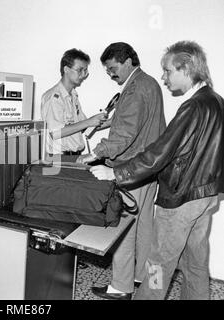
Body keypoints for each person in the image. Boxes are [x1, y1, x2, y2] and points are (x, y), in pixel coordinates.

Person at [90, 41, 224, 300]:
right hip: (205, 196)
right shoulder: (217, 102)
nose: (163, 77)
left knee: (158, 264)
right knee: (195, 263)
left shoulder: (193, 107)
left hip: (181, 198)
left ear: (186, 69)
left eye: (168, 70)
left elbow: (160, 153)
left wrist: (117, 173)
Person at [78, 42, 166, 300]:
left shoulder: (135, 90)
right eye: (107, 71)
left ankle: (121, 287)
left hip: (131, 170)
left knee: (123, 228)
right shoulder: (149, 84)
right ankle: (141, 277)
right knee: (144, 226)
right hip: (149, 169)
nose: (111, 74)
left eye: (113, 68)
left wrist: (95, 153)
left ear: (128, 61)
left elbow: (125, 134)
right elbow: (137, 126)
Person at [41, 48, 107, 161]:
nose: (83, 75)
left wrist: (114, 120)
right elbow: (54, 133)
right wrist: (89, 121)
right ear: (66, 69)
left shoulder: (73, 96)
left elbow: (85, 127)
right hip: (59, 158)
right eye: (80, 70)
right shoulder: (54, 97)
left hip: (73, 156)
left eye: (85, 71)